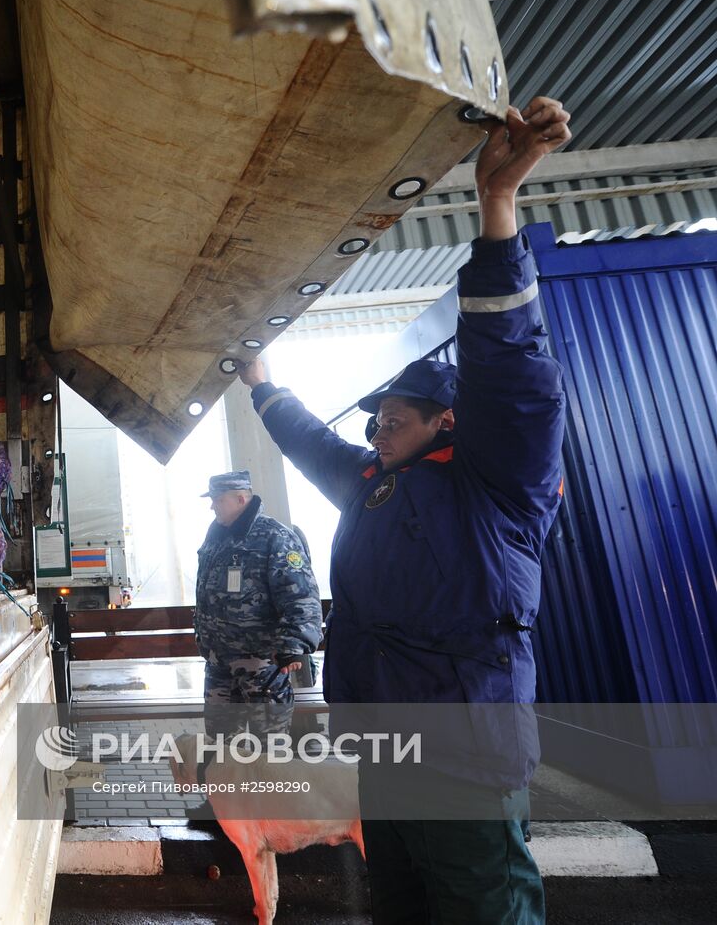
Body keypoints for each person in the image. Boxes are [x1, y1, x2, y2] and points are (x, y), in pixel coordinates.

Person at [239, 96, 571, 923]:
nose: (379, 435)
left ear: (445, 422)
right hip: (384, 755)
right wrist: (263, 385)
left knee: (482, 906)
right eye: (377, 425)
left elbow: (516, 382)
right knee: (405, 905)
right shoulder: (371, 483)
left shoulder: (501, 485)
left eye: (395, 423)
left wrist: (497, 208)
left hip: (464, 759)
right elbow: (312, 441)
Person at [192, 470, 323, 742]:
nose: (212, 505)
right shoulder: (215, 537)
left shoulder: (275, 537)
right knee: (221, 748)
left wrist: (292, 646)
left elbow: (301, 596)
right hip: (219, 661)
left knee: (269, 750)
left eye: (218, 499)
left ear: (241, 499)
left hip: (261, 665)